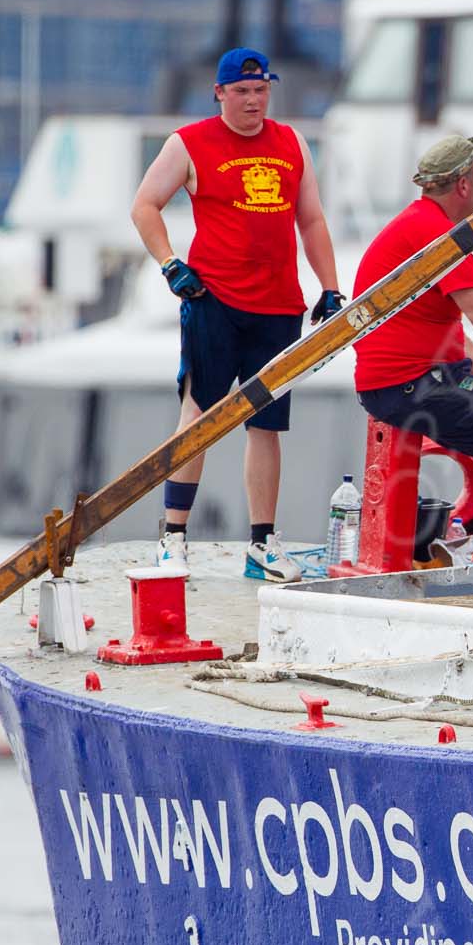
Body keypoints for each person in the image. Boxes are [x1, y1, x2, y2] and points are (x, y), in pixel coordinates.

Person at [128, 47, 342, 581]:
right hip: (214, 300)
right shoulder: (191, 142)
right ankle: (173, 537)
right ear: (220, 93)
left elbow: (311, 220)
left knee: (265, 426)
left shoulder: (291, 142)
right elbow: (144, 205)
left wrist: (331, 288)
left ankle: (262, 543)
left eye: (261, 89)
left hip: (279, 306)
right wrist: (170, 264)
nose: (253, 100)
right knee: (198, 412)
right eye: (241, 91)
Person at [352, 136, 473, 518]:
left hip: (403, 380)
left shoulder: (418, 222)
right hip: (408, 384)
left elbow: (460, 340)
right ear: (463, 185)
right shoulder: (438, 236)